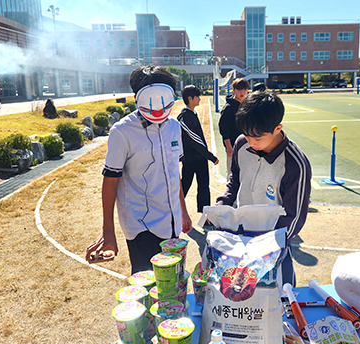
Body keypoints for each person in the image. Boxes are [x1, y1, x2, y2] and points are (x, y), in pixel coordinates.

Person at [86, 65, 192, 273]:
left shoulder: (174, 127)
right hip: (142, 226)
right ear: (137, 97)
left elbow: (173, 172)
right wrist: (108, 230)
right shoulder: (122, 131)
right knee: (148, 285)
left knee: (173, 284)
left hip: (171, 223)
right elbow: (110, 180)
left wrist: (183, 211)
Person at [216, 91, 312, 287]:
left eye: (257, 138)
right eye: (247, 134)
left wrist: (266, 245)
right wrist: (224, 201)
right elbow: (235, 177)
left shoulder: (295, 164)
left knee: (277, 297)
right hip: (241, 236)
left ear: (278, 128)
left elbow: (295, 218)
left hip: (273, 245)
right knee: (239, 293)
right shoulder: (241, 144)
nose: (251, 142)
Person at [177, 85, 219, 213]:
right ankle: (174, 210)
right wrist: (211, 156)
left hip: (200, 158)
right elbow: (195, 140)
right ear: (190, 98)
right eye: (197, 97)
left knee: (203, 187)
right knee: (185, 185)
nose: (200, 99)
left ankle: (204, 215)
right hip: (191, 159)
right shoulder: (184, 117)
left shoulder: (192, 114)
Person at [218, 78, 249, 177]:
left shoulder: (247, 105)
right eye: (239, 89)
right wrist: (229, 147)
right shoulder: (228, 107)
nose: (242, 92)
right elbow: (224, 129)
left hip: (248, 146)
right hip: (233, 147)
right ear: (234, 90)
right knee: (232, 175)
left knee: (246, 174)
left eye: (244, 90)